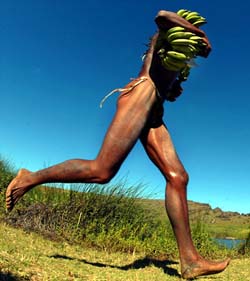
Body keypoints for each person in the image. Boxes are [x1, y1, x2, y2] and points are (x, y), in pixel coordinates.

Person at [5, 10, 230, 279]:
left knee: (178, 177)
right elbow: (161, 16)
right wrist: (201, 34)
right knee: (102, 171)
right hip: (140, 95)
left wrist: (172, 89)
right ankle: (30, 177)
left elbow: (166, 84)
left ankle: (190, 261)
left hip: (154, 105)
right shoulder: (165, 35)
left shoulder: (176, 57)